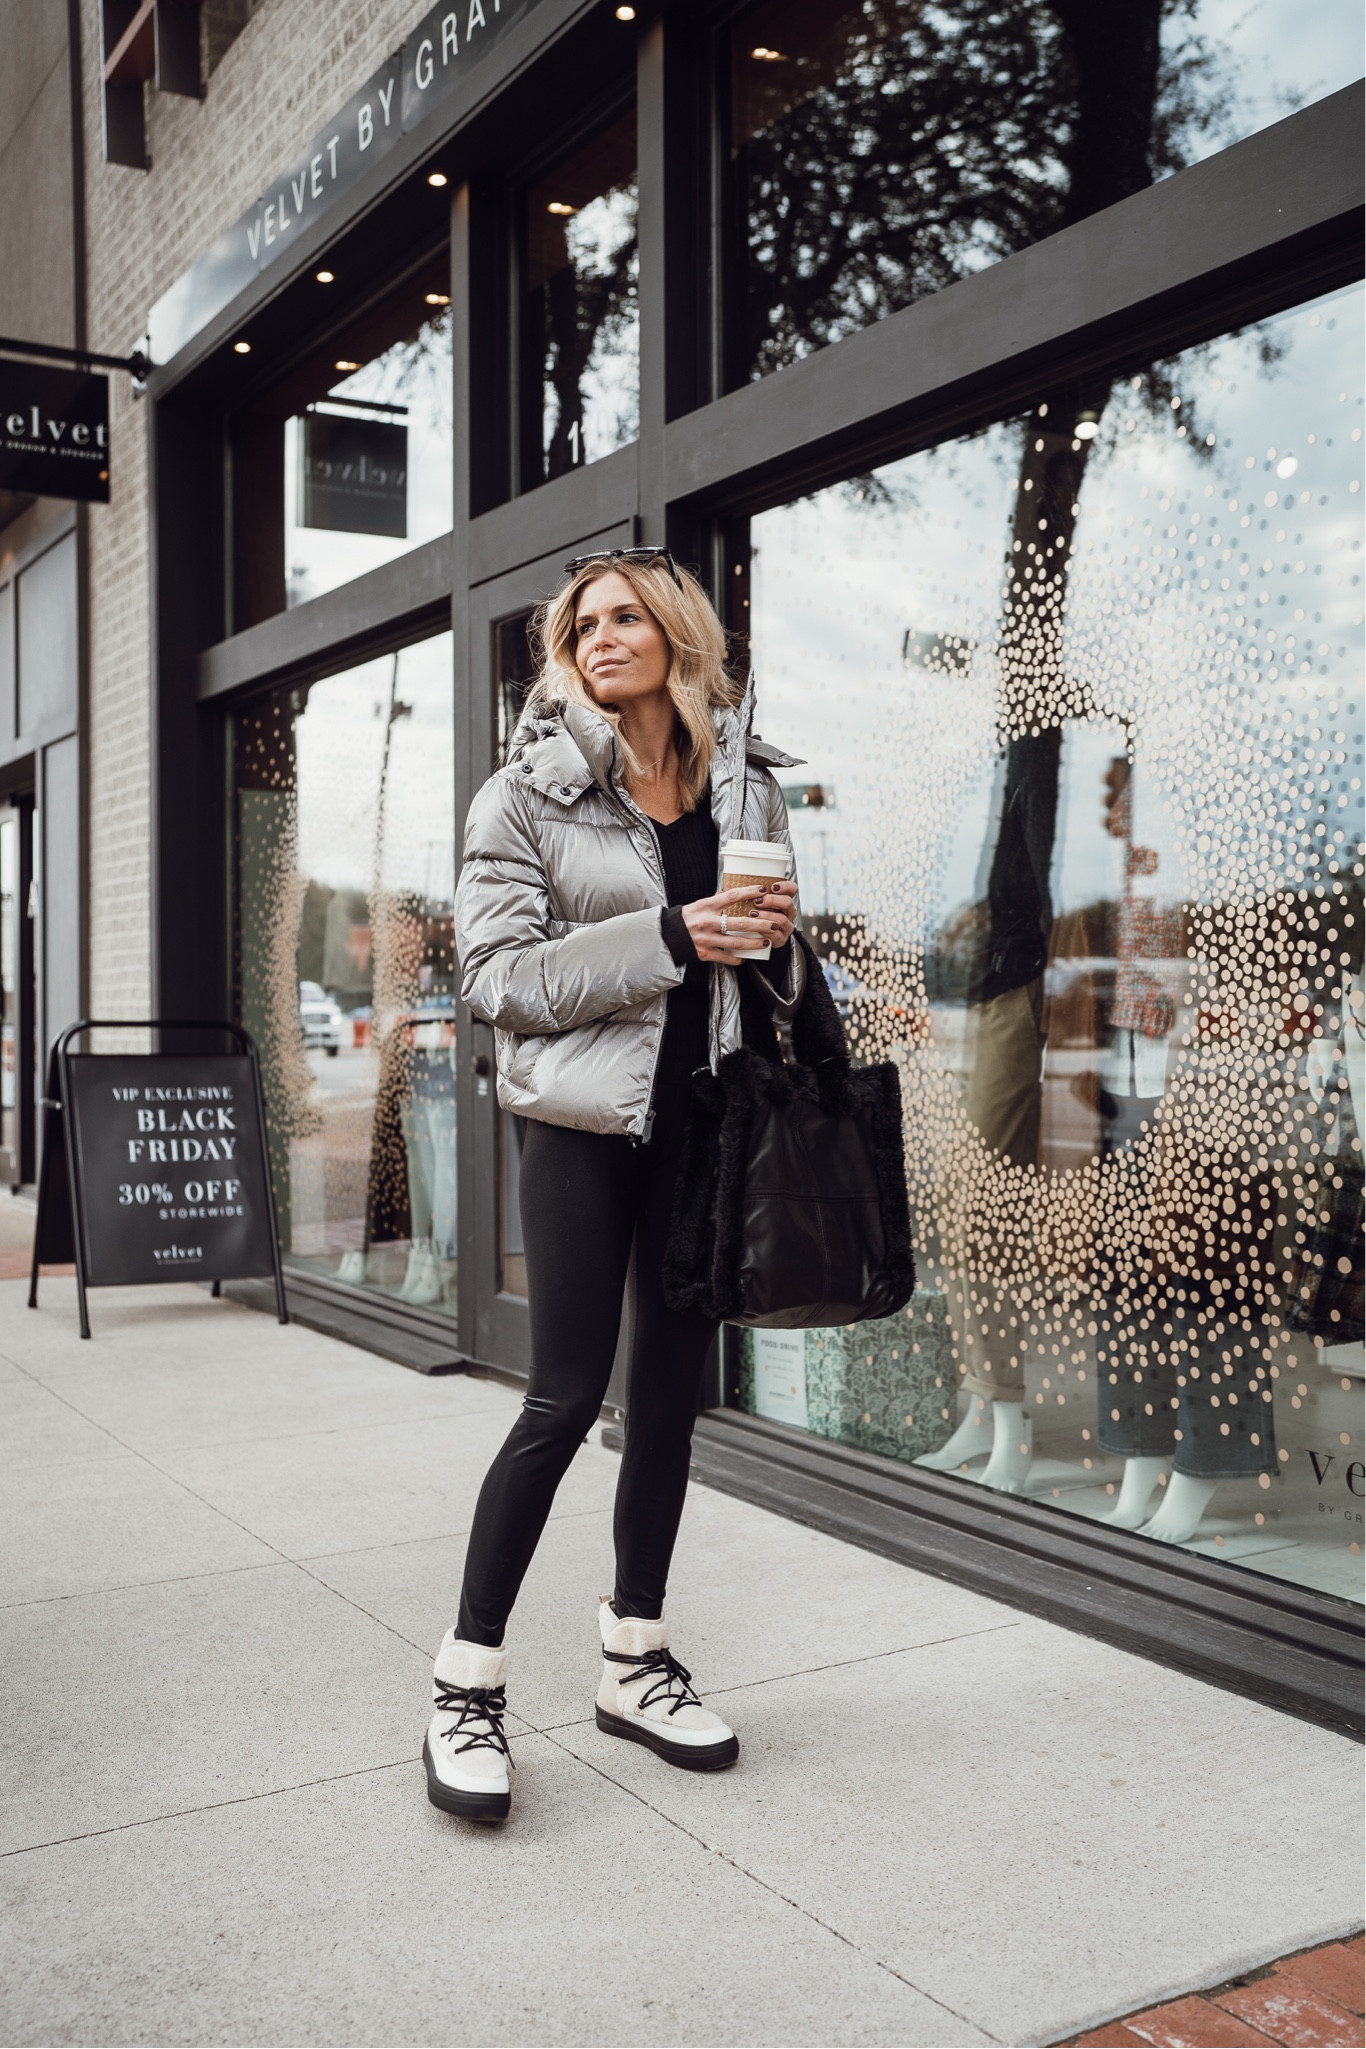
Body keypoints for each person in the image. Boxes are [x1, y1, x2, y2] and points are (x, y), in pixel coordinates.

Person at [423, 546, 804, 1820]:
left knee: (669, 1405)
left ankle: (635, 1658)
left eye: (626, 616)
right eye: (582, 623)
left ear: (676, 634)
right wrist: (667, 935)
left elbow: (765, 968)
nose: (599, 636)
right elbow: (498, 983)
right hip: (583, 1132)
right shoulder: (523, 797)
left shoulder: (745, 786)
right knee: (562, 1399)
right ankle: (465, 1682)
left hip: (707, 1129)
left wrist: (775, 950)